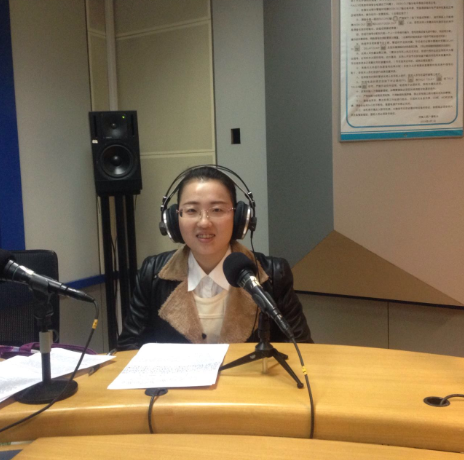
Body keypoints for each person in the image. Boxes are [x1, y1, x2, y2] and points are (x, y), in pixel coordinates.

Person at [117, 165, 312, 350]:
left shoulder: (273, 275)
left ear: (240, 218)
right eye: (191, 210)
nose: (204, 222)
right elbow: (127, 348)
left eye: (217, 210)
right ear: (174, 220)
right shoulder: (153, 274)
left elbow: (303, 350)